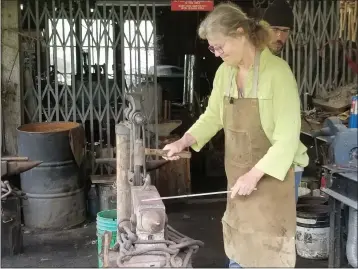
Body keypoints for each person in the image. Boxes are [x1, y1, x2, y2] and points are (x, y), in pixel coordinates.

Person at [162, 2, 309, 268]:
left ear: (240, 33)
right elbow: (212, 116)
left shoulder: (277, 74)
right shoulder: (224, 73)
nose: (216, 54)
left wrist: (255, 174)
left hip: (274, 175)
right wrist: (183, 141)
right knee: (240, 244)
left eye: (219, 46)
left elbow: (287, 138)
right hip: (239, 175)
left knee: (268, 248)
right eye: (212, 48)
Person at [262, 0, 305, 198]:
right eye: (275, 29)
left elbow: (288, 130)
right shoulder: (250, 64)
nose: (280, 37)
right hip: (262, 163)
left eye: (285, 31)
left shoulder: (281, 69)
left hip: (283, 166)